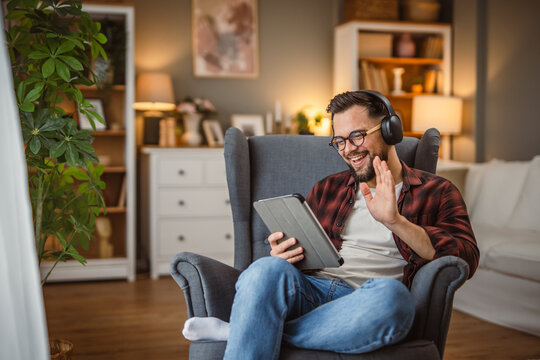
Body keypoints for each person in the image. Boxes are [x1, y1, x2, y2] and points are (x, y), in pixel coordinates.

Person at [183, 91, 479, 359]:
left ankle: (241, 330)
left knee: (394, 300)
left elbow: (465, 256)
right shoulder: (328, 188)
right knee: (264, 268)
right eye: (339, 141)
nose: (348, 149)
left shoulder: (437, 191)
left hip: (367, 300)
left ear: (390, 130)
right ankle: (254, 326)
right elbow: (297, 259)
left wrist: (395, 221)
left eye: (358, 136)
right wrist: (284, 254)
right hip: (312, 290)